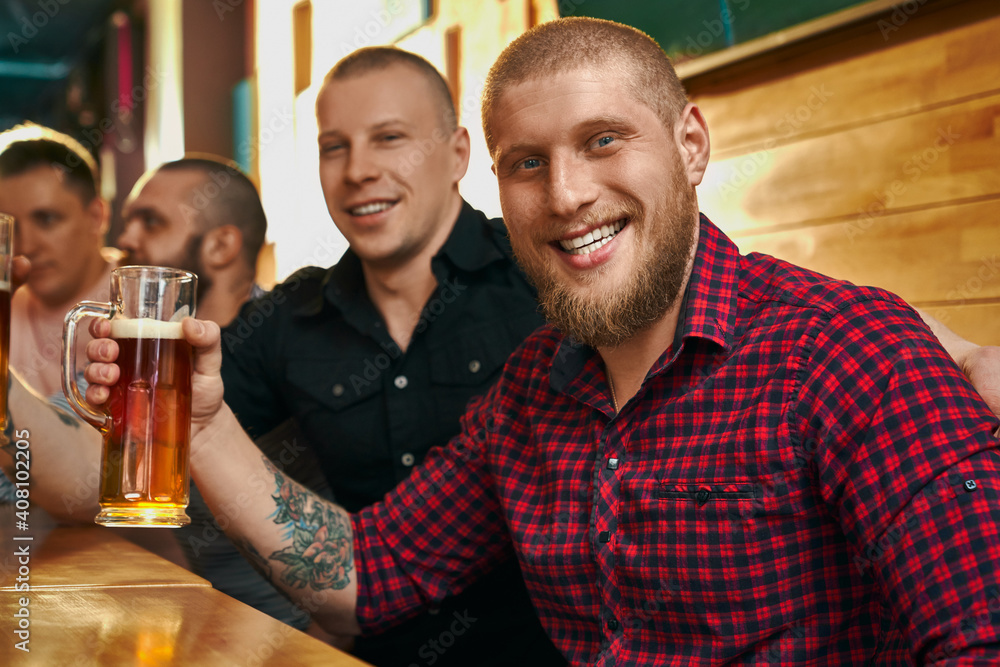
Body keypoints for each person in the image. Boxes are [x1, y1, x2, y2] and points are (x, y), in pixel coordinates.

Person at [82, 21, 1000, 663]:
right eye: (528, 162)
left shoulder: (850, 349)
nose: (564, 195)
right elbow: (364, 572)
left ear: (689, 144)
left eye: (603, 141)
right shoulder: (529, 394)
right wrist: (199, 428)